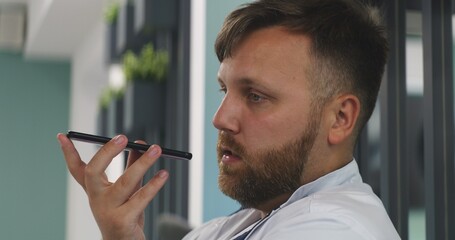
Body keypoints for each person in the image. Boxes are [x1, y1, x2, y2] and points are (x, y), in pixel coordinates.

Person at [57, 0, 401, 239]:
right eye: (224, 90)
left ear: (340, 118)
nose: (220, 119)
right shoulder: (232, 226)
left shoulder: (333, 231)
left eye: (255, 96)